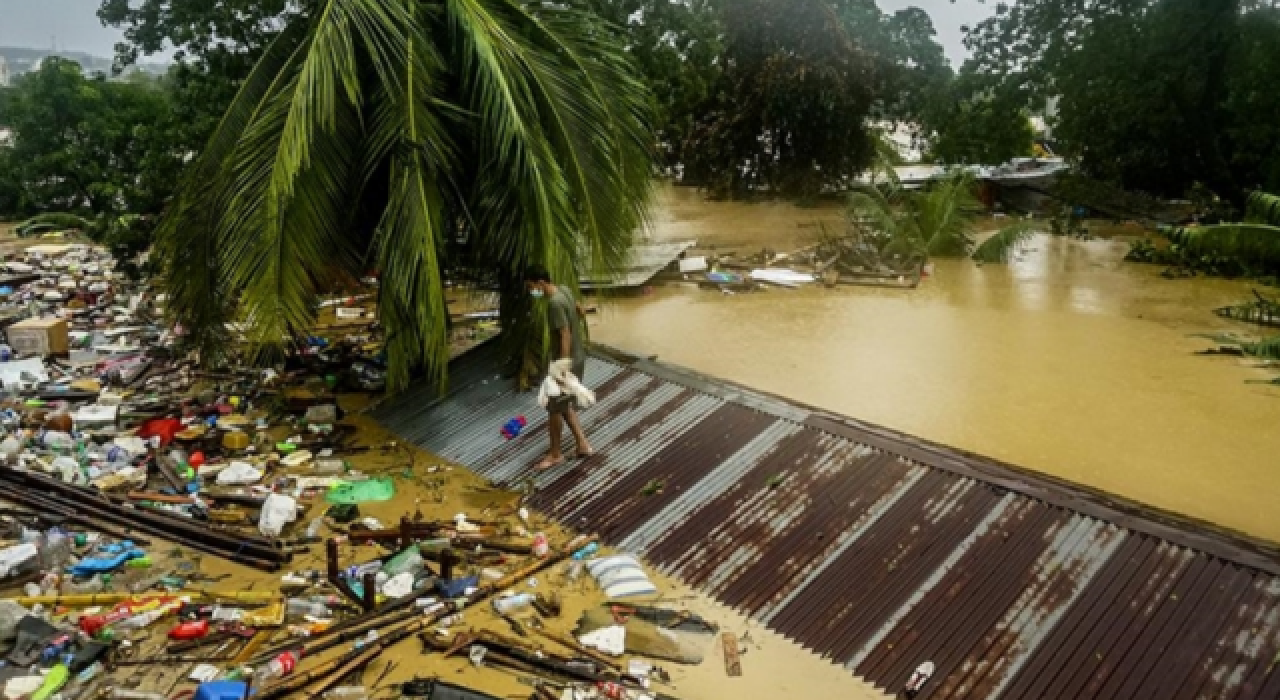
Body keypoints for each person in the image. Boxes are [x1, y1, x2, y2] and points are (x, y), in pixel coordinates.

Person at [526, 266, 592, 470]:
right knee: (563, 404)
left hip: (564, 363)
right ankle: (583, 445)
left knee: (553, 408)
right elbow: (580, 310)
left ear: (540, 283)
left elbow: (564, 333)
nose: (531, 291)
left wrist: (562, 368)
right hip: (578, 357)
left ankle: (555, 454)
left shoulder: (554, 304)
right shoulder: (565, 290)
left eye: (531, 287)